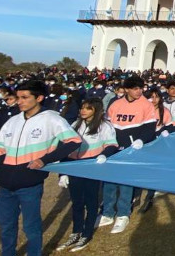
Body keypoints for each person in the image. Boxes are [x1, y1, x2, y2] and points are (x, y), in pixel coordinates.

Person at [0, 80, 82, 256]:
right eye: (18, 97)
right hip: (5, 186)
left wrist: (45, 160)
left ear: (39, 98)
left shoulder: (52, 119)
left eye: (25, 97)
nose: (19, 101)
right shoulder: (12, 121)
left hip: (29, 184)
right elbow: (0, 153)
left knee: (31, 227)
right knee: (7, 227)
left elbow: (74, 141)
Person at [56, 98, 118, 252]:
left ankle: (87, 233)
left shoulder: (104, 126)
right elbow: (65, 147)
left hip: (91, 166)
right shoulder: (75, 124)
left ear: (96, 110)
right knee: (77, 202)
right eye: (82, 108)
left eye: (88, 108)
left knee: (90, 201)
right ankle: (76, 232)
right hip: (74, 166)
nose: (83, 111)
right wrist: (62, 173)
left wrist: (104, 155)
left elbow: (111, 144)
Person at [98, 76, 156, 234]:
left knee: (125, 182)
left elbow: (150, 128)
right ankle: (108, 212)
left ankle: (123, 213)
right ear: (127, 89)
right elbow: (107, 126)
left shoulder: (146, 105)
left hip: (132, 148)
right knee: (109, 181)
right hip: (114, 147)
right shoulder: (115, 104)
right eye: (136, 88)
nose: (139, 91)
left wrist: (140, 140)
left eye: (141, 88)